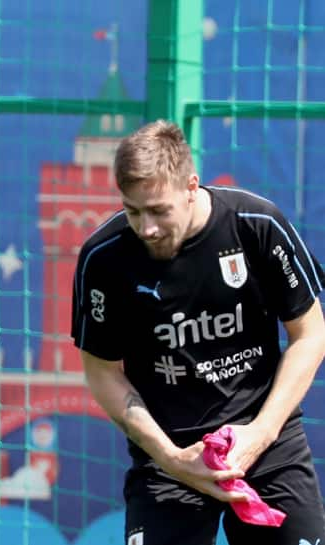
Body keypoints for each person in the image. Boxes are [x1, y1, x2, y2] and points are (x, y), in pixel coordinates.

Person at [72, 120, 325, 545]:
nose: (146, 227)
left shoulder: (256, 224)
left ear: (191, 186)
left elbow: (311, 334)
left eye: (158, 210)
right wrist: (173, 458)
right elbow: (102, 371)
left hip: (267, 443)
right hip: (169, 459)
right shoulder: (104, 258)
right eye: (133, 210)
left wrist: (261, 434)